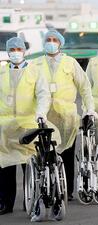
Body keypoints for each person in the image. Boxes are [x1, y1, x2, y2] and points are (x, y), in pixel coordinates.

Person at [34, 30, 96, 200]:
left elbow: (84, 87)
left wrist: (89, 108)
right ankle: (47, 188)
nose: (51, 42)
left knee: (66, 153)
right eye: (48, 39)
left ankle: (66, 190)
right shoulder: (36, 64)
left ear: (60, 43)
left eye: (55, 40)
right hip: (45, 116)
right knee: (45, 155)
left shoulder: (70, 63)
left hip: (67, 116)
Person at [0, 37, 51, 215]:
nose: (15, 53)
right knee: (5, 165)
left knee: (29, 163)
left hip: (28, 123)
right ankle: (5, 203)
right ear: (8, 52)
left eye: (18, 49)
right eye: (12, 50)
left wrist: (41, 112)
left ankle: (30, 199)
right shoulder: (2, 73)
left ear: (24, 51)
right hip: (5, 126)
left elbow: (44, 95)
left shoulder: (35, 72)